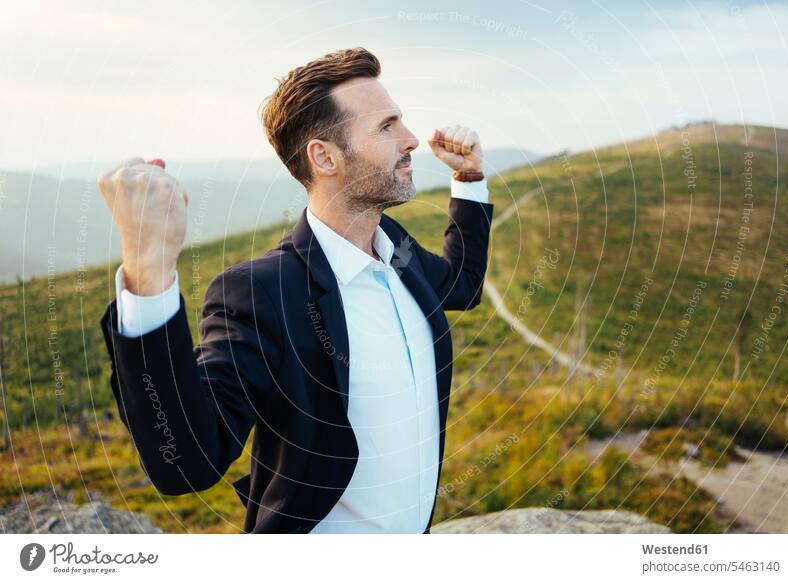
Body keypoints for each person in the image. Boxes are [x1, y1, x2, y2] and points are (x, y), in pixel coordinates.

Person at [98, 47, 493, 533]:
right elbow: (187, 463)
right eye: (386, 126)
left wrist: (469, 178)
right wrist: (148, 272)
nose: (411, 139)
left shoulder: (399, 251)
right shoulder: (263, 292)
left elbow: (463, 285)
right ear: (324, 156)